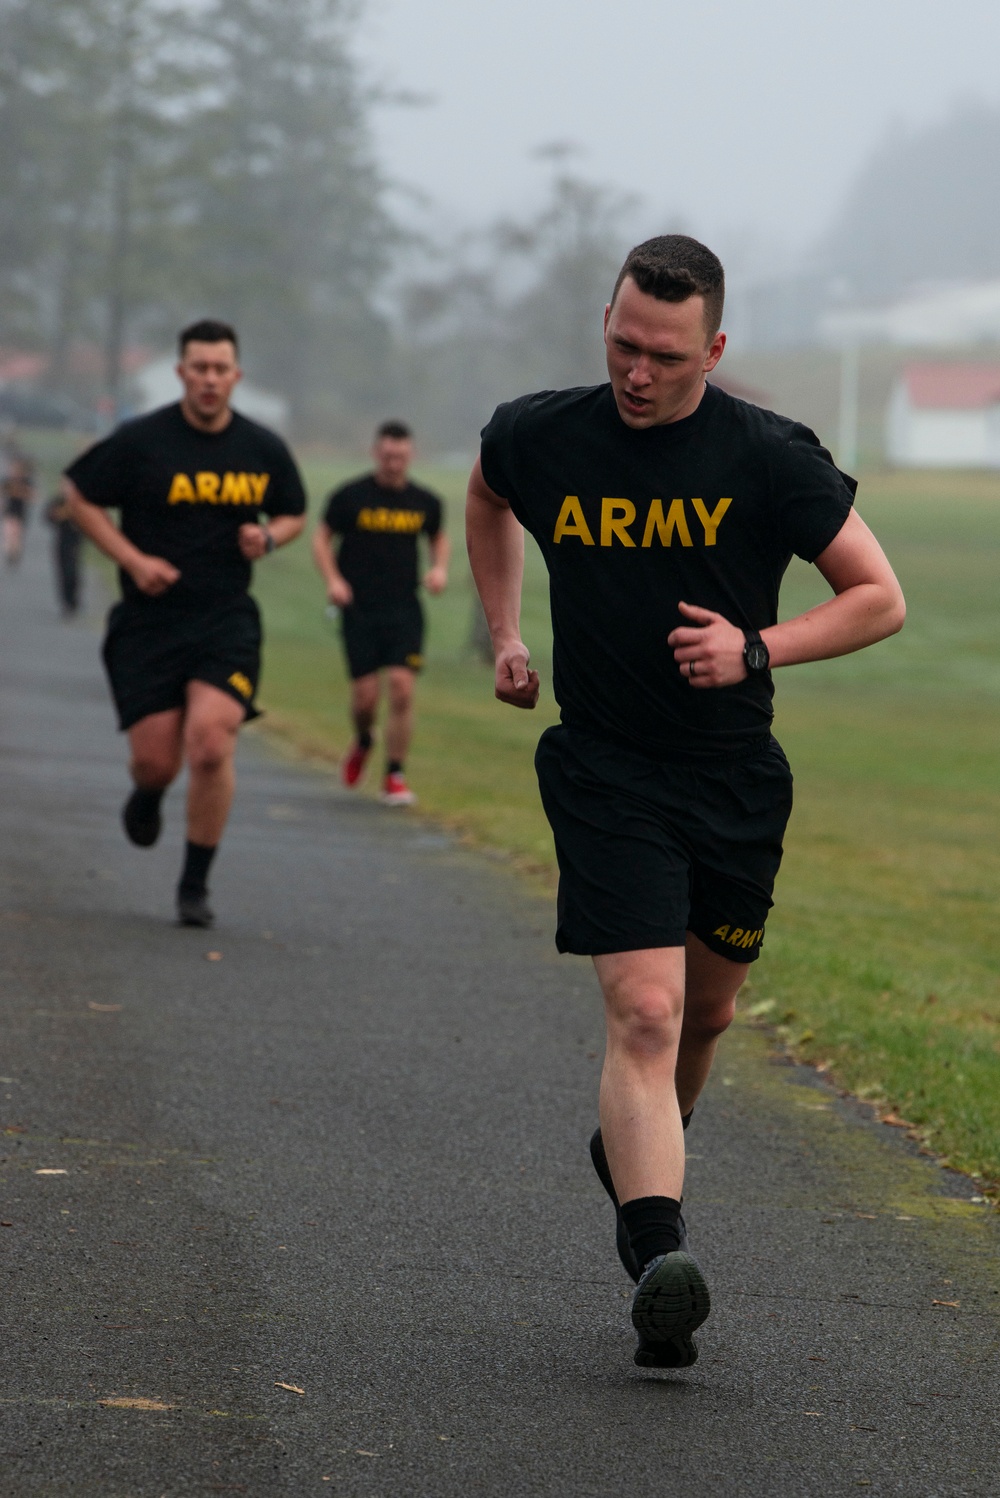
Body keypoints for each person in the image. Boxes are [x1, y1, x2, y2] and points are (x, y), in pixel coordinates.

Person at [466, 235, 905, 1369]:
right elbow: (487, 494)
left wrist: (755, 647)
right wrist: (507, 633)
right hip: (605, 768)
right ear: (604, 324)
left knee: (705, 1017)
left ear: (712, 348)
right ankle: (659, 1259)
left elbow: (877, 600)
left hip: (734, 778)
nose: (636, 372)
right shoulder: (541, 430)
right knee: (648, 1012)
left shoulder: (769, 457)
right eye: (620, 344)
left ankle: (639, 1149)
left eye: (663, 354)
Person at [63, 319, 307, 927]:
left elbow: (294, 512)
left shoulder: (261, 447)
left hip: (225, 618)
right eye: (198, 368)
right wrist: (133, 560)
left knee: (210, 742)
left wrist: (267, 537)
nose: (209, 379)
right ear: (180, 373)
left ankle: (194, 886)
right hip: (149, 622)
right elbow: (79, 495)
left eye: (220, 369)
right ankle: (147, 794)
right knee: (156, 761)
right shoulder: (142, 441)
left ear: (236, 376)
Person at [312, 420, 449, 806]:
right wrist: (333, 580)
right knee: (366, 700)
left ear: (411, 456)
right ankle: (364, 740)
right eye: (387, 455)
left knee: (403, 690)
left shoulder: (426, 501)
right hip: (359, 610)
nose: (393, 463)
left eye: (401, 456)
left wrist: (438, 568)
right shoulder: (350, 497)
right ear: (376, 453)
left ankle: (394, 774)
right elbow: (321, 538)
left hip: (404, 608)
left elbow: (438, 537)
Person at [45, 492, 83, 615]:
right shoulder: (58, 501)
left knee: (73, 572)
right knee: (63, 572)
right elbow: (48, 518)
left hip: (75, 542)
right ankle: (66, 602)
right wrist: (58, 514)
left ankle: (73, 600)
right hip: (62, 541)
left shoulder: (82, 502)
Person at [2, 442, 36, 566]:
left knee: (16, 534)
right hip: (9, 511)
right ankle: (9, 552)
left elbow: (33, 496)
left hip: (20, 512)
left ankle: (15, 553)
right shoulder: (7, 481)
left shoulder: (26, 482)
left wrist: (20, 492)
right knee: (8, 532)